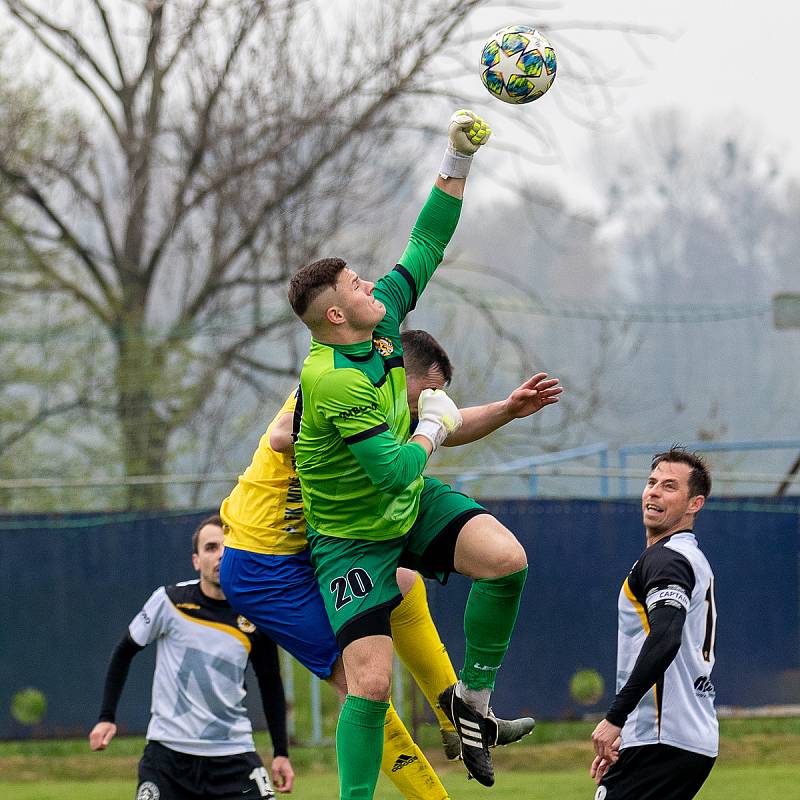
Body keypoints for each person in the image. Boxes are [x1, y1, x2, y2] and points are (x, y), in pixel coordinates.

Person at [288, 108, 534, 797]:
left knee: (507, 561)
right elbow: (395, 465)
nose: (374, 286)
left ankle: (475, 706)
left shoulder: (383, 322)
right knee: (370, 684)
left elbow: (427, 242)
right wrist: (431, 422)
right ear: (337, 315)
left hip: (406, 505)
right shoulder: (331, 381)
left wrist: (457, 160)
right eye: (358, 286)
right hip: (350, 540)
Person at [219, 327, 560, 800]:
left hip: (333, 535)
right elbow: (280, 436)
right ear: (397, 373)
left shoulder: (399, 403)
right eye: (426, 393)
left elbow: (447, 424)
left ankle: (461, 714)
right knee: (366, 685)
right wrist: (401, 434)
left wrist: (506, 408)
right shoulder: (337, 387)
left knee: (408, 583)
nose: (429, 405)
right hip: (267, 564)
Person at [89, 515, 294, 800]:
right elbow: (125, 651)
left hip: (233, 755)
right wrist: (106, 717)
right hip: (168, 758)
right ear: (196, 560)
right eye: (211, 548)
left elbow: (271, 683)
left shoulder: (255, 613)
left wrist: (281, 752)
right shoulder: (169, 602)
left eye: (228, 546)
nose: (221, 555)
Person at [590, 447, 718, 800]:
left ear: (695, 504)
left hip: (663, 737)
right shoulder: (688, 556)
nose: (655, 491)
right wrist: (627, 734)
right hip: (680, 738)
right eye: (652, 482)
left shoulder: (668, 560)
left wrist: (616, 717)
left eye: (670, 486)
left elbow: (665, 636)